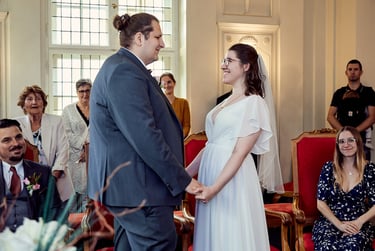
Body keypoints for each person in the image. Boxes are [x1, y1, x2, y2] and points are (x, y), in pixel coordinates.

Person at [88, 12, 202, 251]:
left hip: (132, 188)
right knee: (159, 244)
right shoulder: (124, 71)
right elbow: (144, 135)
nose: (162, 43)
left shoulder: (124, 67)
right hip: (140, 188)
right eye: (158, 37)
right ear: (140, 38)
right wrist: (182, 179)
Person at [186, 43, 279, 250]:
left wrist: (214, 188)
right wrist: (184, 173)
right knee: (213, 236)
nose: (223, 65)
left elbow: (240, 152)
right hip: (211, 175)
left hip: (232, 181)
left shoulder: (254, 103)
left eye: (229, 61)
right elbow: (210, 146)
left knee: (230, 235)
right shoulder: (224, 102)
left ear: (246, 66)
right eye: (223, 60)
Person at [312, 126, 375, 250]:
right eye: (342, 141)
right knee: (327, 246)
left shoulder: (370, 169)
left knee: (352, 246)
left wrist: (359, 222)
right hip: (330, 222)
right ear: (337, 145)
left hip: (357, 223)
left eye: (351, 140)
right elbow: (320, 203)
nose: (346, 145)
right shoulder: (328, 168)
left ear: (358, 142)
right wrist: (339, 225)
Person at [14, 85, 74, 205]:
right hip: (26, 181)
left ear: (44, 103)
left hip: (55, 179)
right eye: (29, 99)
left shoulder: (57, 121)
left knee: (56, 218)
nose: (34, 102)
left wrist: (52, 178)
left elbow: (63, 150)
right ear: (23, 104)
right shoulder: (16, 124)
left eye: (38, 98)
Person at [0, 119, 60, 232]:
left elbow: (55, 210)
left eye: (18, 137)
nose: (16, 143)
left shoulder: (43, 173)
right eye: (7, 140)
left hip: (34, 241)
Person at [327, 59, 375, 160]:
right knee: (342, 168)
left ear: (361, 72)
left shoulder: (369, 92)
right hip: (343, 139)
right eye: (350, 69)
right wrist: (344, 132)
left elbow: (372, 117)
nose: (353, 72)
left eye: (356, 69)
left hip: (362, 139)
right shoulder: (339, 93)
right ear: (346, 72)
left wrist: (355, 132)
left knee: (363, 170)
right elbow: (330, 116)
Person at [62, 78, 91, 213]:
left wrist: (89, 149)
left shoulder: (98, 108)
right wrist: (82, 147)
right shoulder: (68, 110)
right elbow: (67, 133)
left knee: (90, 191)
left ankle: (88, 224)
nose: (85, 94)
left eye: (88, 91)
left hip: (93, 155)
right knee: (74, 191)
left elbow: (100, 131)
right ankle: (73, 225)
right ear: (76, 92)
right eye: (81, 91)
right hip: (75, 156)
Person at [160, 72, 191, 138]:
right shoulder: (158, 103)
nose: (167, 86)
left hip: (179, 140)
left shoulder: (183, 103)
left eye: (169, 82)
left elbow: (186, 125)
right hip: (163, 141)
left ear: (174, 83)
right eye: (164, 84)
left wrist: (180, 137)